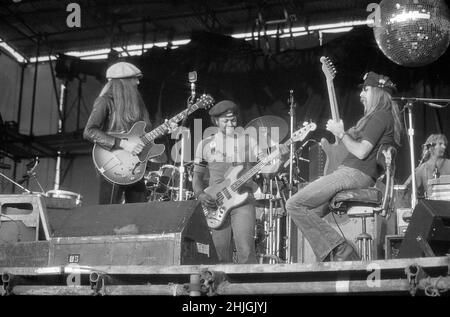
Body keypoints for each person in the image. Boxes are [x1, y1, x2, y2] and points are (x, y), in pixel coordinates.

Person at [286, 71, 403, 262]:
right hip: (354, 172)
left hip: (353, 174)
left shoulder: (381, 116)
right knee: (311, 214)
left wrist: (341, 134)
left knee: (293, 204)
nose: (361, 95)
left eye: (365, 90)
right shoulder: (381, 117)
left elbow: (361, 152)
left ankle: (341, 250)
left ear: (377, 92)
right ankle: (329, 260)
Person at [192, 100, 263, 264]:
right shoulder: (204, 145)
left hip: (243, 200)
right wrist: (200, 194)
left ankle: (248, 288)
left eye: (233, 120)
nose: (230, 124)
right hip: (216, 202)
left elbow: (266, 168)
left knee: (246, 251)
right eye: (225, 120)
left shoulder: (249, 141)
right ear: (216, 122)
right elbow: (197, 176)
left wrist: (276, 161)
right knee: (219, 254)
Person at [84, 61, 151, 204]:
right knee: (108, 212)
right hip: (112, 162)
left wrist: (164, 129)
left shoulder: (136, 105)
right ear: (124, 82)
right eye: (135, 78)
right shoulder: (105, 101)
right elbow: (89, 131)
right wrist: (122, 144)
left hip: (133, 165)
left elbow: (138, 136)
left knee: (140, 212)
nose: (138, 82)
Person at [404, 134, 450, 198]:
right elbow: (406, 188)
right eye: (440, 144)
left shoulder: (448, 164)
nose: (444, 147)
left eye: (444, 144)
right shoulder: (423, 168)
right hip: (432, 206)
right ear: (431, 147)